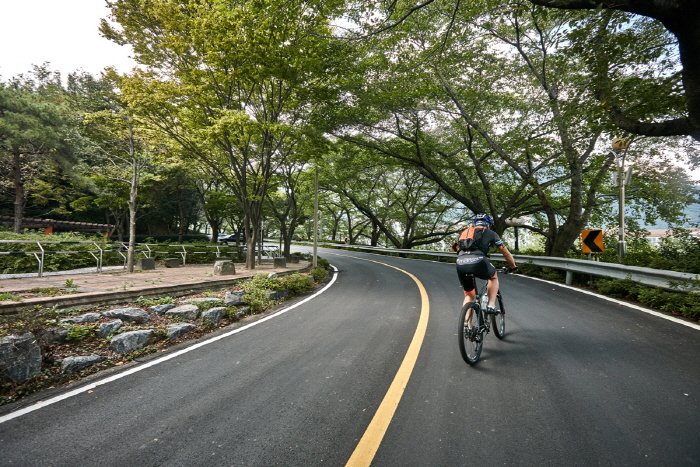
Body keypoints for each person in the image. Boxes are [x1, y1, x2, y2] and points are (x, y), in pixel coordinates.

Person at [455, 213, 518, 314]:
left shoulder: (465, 232)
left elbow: (455, 248)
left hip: (460, 262)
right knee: (493, 276)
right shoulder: (491, 233)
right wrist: (513, 266)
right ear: (488, 224)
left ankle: (468, 327)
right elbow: (505, 253)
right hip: (478, 260)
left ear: (476, 223)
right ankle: (491, 304)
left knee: (469, 295)